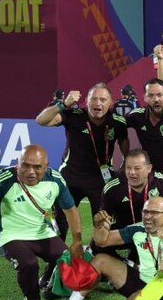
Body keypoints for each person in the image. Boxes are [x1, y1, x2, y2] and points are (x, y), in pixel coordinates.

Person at [0, 144, 83, 300]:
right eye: (25, 165)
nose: (30, 171)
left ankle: (52, 287)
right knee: (28, 263)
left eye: (37, 167)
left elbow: (70, 209)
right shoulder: (5, 177)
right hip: (7, 233)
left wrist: (77, 240)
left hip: (40, 231)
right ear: (17, 164)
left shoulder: (55, 179)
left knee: (65, 257)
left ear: (46, 166)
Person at [34, 83, 129, 242]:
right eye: (94, 99)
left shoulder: (118, 122)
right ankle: (56, 258)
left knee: (102, 220)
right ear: (87, 101)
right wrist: (63, 104)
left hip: (100, 179)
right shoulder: (74, 115)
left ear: (110, 103)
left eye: (103, 100)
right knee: (61, 220)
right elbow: (41, 120)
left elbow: (123, 140)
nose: (98, 103)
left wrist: (126, 161)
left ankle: (99, 253)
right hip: (71, 176)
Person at [100, 149, 163, 232]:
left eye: (137, 168)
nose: (132, 172)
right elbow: (104, 220)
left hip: (155, 234)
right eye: (128, 168)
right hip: (126, 234)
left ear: (149, 168)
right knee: (97, 243)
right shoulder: (112, 188)